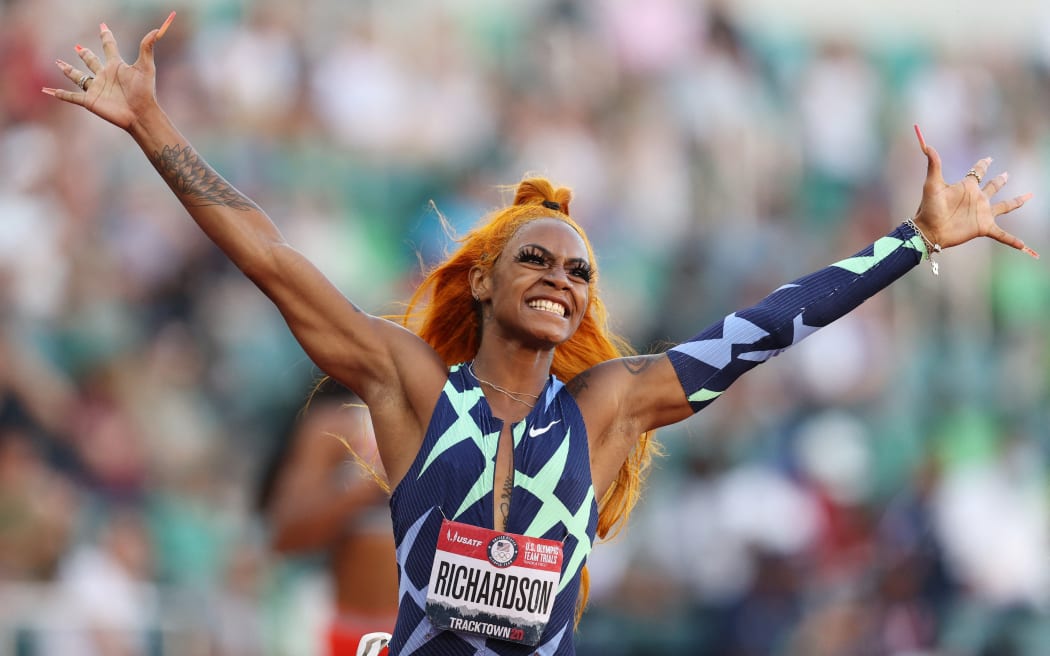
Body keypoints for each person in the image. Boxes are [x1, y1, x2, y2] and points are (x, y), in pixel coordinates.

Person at [43, 14, 1039, 656]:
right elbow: (270, 258)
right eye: (536, 258)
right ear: (481, 277)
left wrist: (914, 241)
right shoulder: (412, 386)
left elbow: (765, 329)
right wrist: (153, 128)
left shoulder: (609, 405)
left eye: (579, 269)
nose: (562, 277)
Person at [258, 380, 399, 656]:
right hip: (353, 635)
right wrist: (367, 486)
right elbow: (284, 534)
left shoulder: (461, 422)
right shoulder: (340, 426)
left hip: (435, 632)